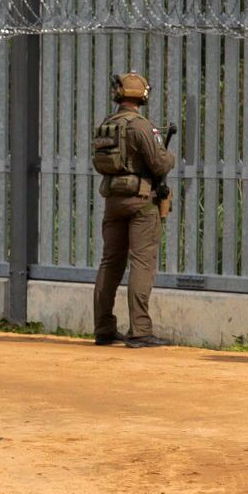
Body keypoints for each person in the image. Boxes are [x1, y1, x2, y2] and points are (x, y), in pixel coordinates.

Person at [90, 71, 176, 349]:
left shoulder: (108, 124)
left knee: (110, 263)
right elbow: (160, 164)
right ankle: (140, 330)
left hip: (113, 201)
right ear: (143, 96)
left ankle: (103, 327)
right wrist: (170, 156)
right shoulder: (141, 126)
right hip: (141, 202)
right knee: (142, 262)